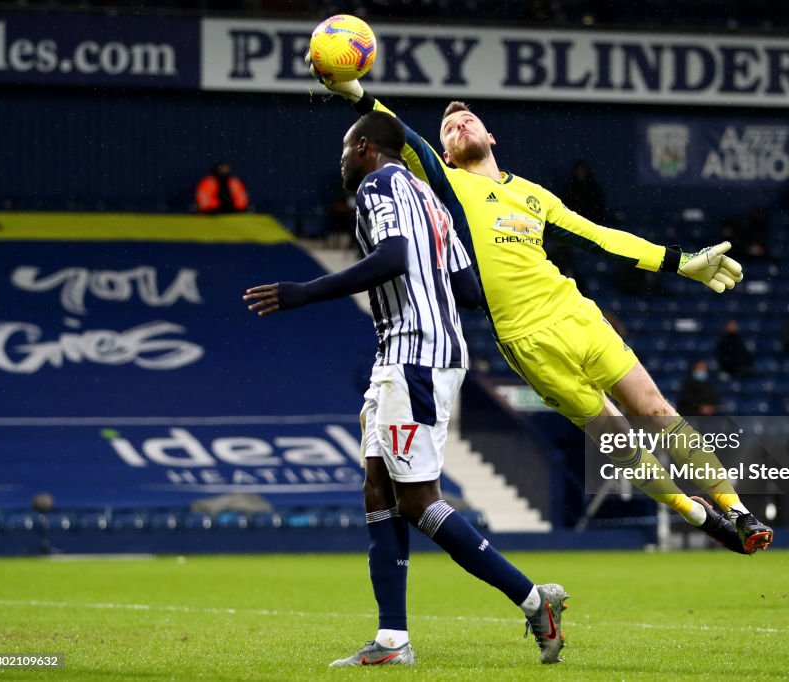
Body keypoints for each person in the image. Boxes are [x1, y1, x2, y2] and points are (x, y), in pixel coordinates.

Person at [312, 65, 773, 556]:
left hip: (575, 315)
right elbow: (401, 137)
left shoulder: (535, 195)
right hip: (524, 341)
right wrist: (359, 94)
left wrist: (679, 261)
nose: (459, 126)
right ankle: (695, 512)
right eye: (450, 128)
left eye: (467, 120)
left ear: (491, 135)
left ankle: (740, 513)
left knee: (656, 408)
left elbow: (600, 238)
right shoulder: (448, 184)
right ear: (445, 152)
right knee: (618, 441)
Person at [242, 112, 568, 667]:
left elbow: (393, 255)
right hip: (412, 352)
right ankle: (392, 641)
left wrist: (303, 293)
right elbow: (467, 288)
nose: (341, 161)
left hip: (415, 354)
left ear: (366, 147)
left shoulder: (381, 183)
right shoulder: (432, 198)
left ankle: (534, 600)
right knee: (377, 488)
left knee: (418, 501)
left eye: (346, 150)